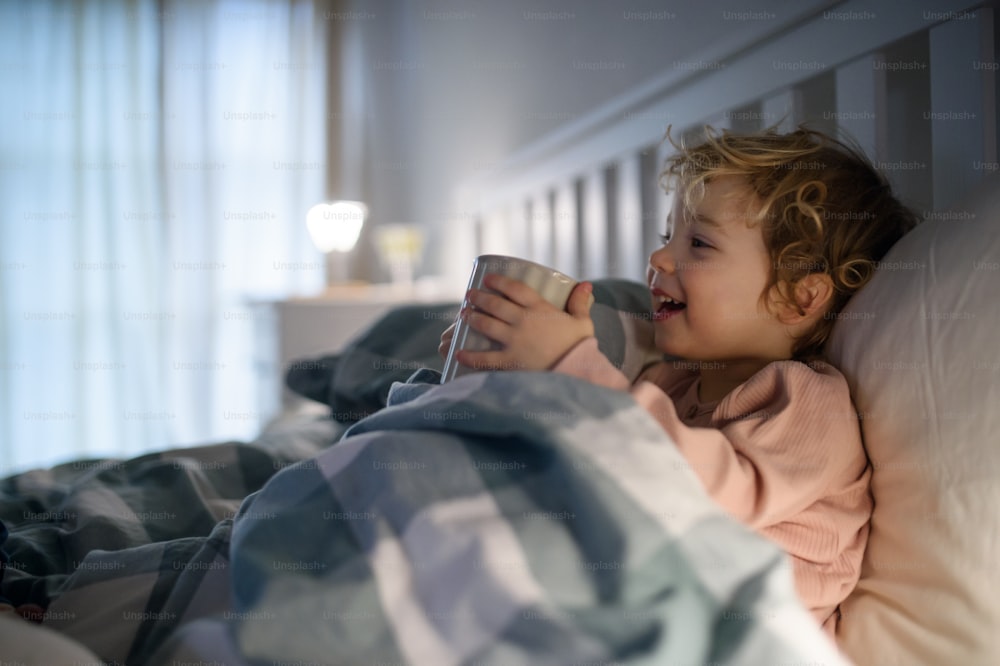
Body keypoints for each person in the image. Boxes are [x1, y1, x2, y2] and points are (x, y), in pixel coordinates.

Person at [438, 125, 920, 635]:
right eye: (667, 236)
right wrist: (503, 376)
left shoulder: (807, 401)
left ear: (797, 298)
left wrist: (570, 362)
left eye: (699, 243)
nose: (659, 259)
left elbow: (696, 492)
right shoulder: (669, 380)